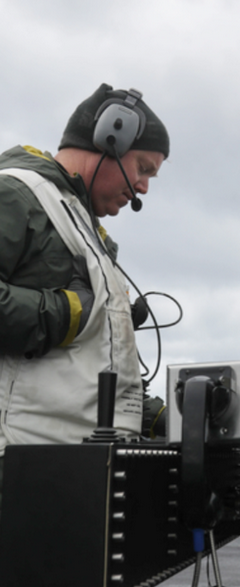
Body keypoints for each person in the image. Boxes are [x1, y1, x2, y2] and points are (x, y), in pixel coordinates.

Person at [0, 83, 169, 503]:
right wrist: (61, 312)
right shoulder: (16, 195)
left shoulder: (84, 230)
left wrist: (159, 418)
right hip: (21, 467)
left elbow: (86, 365)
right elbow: (72, 319)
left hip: (68, 469)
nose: (144, 187)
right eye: (143, 167)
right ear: (111, 136)